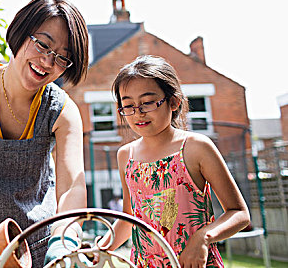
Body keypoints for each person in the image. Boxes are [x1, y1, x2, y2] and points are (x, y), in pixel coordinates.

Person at [0, 0, 90, 267]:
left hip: (38, 247)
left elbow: (71, 186)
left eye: (61, 59)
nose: (47, 62)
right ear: (21, 33)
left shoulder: (63, 111)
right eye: (42, 45)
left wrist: (64, 239)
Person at [101, 55, 250, 267]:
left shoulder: (196, 147)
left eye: (147, 103)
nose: (138, 113)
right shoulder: (125, 155)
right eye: (129, 106)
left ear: (173, 102)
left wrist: (204, 237)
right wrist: (99, 249)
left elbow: (239, 213)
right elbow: (129, 216)